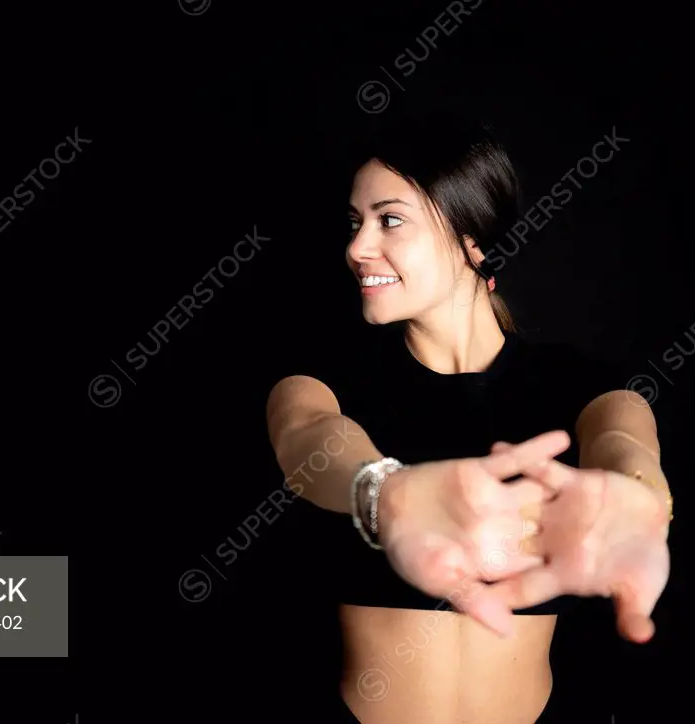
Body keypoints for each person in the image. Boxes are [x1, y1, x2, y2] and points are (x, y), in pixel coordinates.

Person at [265, 114, 672, 723]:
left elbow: (624, 441)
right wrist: (386, 492)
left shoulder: (582, 388)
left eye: (389, 219)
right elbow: (310, 440)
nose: (356, 247)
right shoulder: (322, 381)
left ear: (473, 239)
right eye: (355, 223)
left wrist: (635, 498)